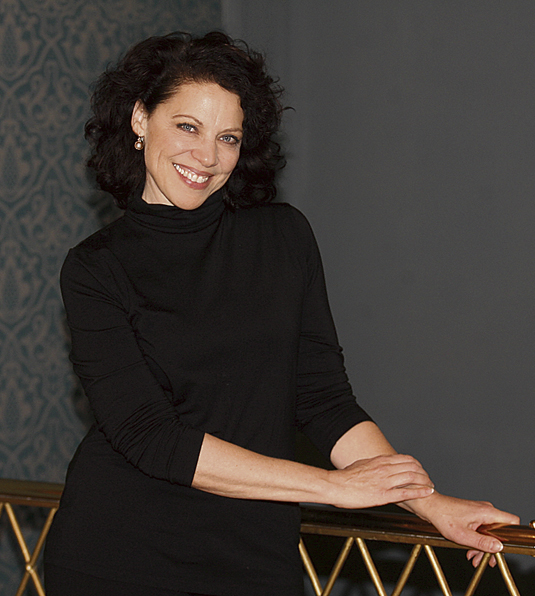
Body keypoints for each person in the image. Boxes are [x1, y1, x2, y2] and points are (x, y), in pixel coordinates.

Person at [44, 31, 518, 596]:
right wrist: (331, 487)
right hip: (121, 556)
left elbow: (322, 398)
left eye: (228, 137)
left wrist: (430, 504)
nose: (207, 156)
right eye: (188, 127)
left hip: (256, 555)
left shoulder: (283, 236)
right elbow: (152, 437)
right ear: (141, 119)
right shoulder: (95, 268)